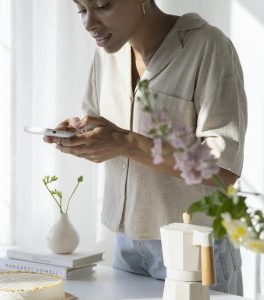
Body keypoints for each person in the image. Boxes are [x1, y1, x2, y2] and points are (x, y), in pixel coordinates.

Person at [44, 0, 247, 295]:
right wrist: (81, 136)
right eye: (81, 9)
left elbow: (223, 170)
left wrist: (126, 142)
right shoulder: (107, 53)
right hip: (126, 243)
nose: (89, 23)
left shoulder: (208, 46)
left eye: (102, 5)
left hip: (194, 246)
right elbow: (103, 130)